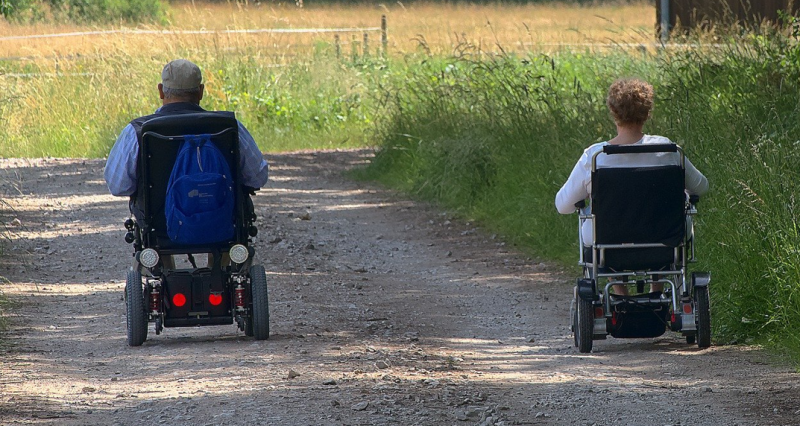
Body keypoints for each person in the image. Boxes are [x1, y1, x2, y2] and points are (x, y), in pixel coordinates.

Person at [104, 59, 269, 267]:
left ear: (161, 91)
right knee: (232, 224)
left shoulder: (138, 130)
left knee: (152, 229)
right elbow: (257, 176)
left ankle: (163, 283)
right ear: (200, 91)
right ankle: (218, 276)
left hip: (161, 226)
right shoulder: (228, 127)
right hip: (223, 222)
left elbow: (118, 186)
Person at [555, 78, 709, 294]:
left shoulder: (596, 156)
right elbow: (702, 187)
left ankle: (619, 294)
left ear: (613, 111)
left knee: (593, 223)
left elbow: (563, 205)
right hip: (665, 243)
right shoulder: (670, 152)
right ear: (647, 112)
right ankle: (659, 288)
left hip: (608, 245)